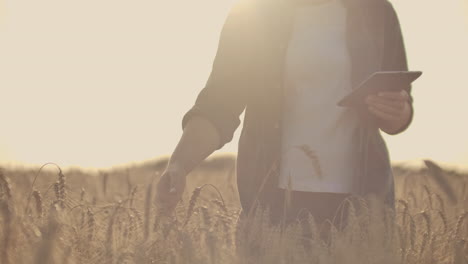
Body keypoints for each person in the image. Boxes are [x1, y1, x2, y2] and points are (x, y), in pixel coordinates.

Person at [155, 0, 414, 230]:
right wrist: (179, 163)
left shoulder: (378, 11)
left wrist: (399, 112)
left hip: (364, 207)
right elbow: (219, 105)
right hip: (274, 206)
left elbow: (398, 101)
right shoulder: (253, 14)